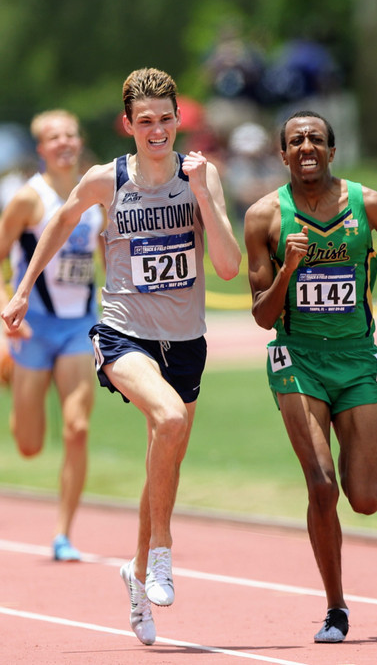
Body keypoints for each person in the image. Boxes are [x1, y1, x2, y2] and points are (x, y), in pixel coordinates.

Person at [1, 68, 242, 646]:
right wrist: (21, 289)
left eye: (166, 119)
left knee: (166, 455)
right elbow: (61, 221)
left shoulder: (200, 176)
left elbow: (229, 266)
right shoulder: (107, 179)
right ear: (128, 125)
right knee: (171, 418)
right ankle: (161, 553)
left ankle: (136, 572)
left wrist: (205, 194)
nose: (156, 130)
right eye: (145, 121)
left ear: (177, 119)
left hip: (185, 339)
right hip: (122, 333)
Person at [243, 110, 377, 643]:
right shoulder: (264, 217)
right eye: (295, 140)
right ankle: (336, 608)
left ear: (331, 150)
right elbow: (261, 315)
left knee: (364, 497)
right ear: (282, 155)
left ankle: (368, 444)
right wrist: (287, 272)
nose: (306, 147)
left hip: (354, 357)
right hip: (296, 358)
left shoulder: (367, 204)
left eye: (315, 139)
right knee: (321, 484)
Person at [0, 110, 102, 562]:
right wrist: (7, 308)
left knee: (77, 428)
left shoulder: (97, 196)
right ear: (41, 149)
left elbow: (110, 257)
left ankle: (63, 534)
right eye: (53, 137)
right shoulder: (27, 199)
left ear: (79, 142)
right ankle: (15, 382)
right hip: (34, 328)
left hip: (80, 325)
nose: (63, 142)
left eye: (70, 135)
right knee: (29, 444)